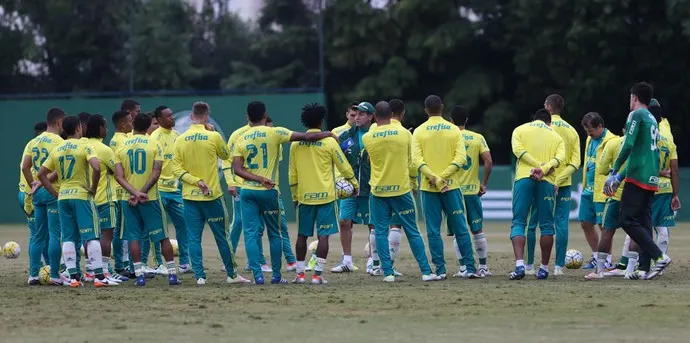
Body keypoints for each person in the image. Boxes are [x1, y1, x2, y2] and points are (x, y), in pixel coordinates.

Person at [232, 101, 336, 284]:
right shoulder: (275, 132)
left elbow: (237, 170)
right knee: (274, 233)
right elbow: (307, 137)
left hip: (247, 191)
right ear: (265, 115)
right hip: (269, 190)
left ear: (248, 118)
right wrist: (327, 134)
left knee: (250, 234)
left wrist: (255, 179)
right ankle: (276, 276)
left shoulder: (241, 138)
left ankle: (257, 275)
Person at [172, 102, 248, 285]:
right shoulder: (213, 136)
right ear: (206, 117)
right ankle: (231, 275)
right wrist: (212, 131)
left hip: (190, 197)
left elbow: (176, 168)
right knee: (222, 236)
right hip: (212, 197)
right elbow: (225, 155)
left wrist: (195, 181)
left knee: (193, 238)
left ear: (191, 117)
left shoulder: (180, 139)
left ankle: (199, 276)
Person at [36, 116, 117, 287]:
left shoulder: (58, 148)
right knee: (92, 236)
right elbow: (96, 167)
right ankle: (99, 278)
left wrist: (56, 193)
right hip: (82, 196)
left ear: (64, 129)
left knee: (68, 237)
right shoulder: (85, 145)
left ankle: (73, 278)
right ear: (79, 128)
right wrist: (93, 188)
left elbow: (41, 174)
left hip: (64, 197)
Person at [364, 101, 439, 282]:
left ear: (374, 116)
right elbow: (412, 162)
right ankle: (426, 272)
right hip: (401, 190)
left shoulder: (368, 137)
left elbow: (369, 160)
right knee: (413, 231)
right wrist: (414, 183)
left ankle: (388, 273)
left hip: (379, 191)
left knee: (380, 232)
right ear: (392, 115)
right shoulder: (405, 134)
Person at [604, 82, 671, 280]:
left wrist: (614, 171)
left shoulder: (637, 115)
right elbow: (641, 153)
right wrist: (619, 177)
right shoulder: (652, 118)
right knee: (644, 221)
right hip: (650, 177)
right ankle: (643, 267)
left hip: (639, 177)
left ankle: (659, 256)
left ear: (634, 97)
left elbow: (628, 146)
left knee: (626, 220)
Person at [289, 103, 358, 284]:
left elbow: (292, 174)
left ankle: (300, 274)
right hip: (326, 197)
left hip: (305, 197)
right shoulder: (329, 142)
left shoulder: (295, 145)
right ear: (321, 120)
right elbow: (343, 165)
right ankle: (318, 275)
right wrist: (354, 183)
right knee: (323, 236)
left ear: (305, 122)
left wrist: (295, 196)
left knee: (302, 236)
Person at [411, 96, 475, 279]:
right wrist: (443, 178)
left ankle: (440, 270)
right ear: (442, 108)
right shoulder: (454, 130)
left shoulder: (419, 131)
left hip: (428, 187)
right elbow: (461, 159)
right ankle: (470, 269)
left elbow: (416, 161)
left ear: (425, 110)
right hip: (451, 186)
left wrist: (434, 178)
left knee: (433, 230)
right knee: (461, 228)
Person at [114, 113, 180, 286]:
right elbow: (156, 173)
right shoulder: (154, 143)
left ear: (133, 125)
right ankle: (172, 274)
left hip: (128, 199)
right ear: (148, 127)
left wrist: (134, 193)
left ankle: (140, 275)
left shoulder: (121, 146)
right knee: (163, 236)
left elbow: (119, 177)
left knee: (133, 238)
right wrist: (142, 192)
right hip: (150, 198)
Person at [509, 109, 565, 280]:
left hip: (524, 178)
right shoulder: (556, 137)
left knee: (519, 221)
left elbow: (518, 151)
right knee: (547, 225)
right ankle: (544, 269)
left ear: (533, 120)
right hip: (546, 181)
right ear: (549, 123)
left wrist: (536, 165)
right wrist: (544, 168)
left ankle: (520, 266)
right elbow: (560, 158)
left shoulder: (519, 130)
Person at [532, 95, 580, 275]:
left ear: (548, 107)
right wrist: (560, 180)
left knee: (537, 222)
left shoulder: (539, 128)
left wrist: (549, 177)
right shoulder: (572, 131)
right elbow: (575, 163)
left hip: (543, 181)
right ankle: (559, 266)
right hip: (564, 183)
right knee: (561, 223)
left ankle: (530, 264)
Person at [221, 119, 272, 273]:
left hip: (260, 185)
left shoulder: (267, 133)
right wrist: (231, 183)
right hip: (241, 185)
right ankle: (228, 260)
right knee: (238, 222)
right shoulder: (237, 134)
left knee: (257, 224)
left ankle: (255, 261)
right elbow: (226, 161)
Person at [21, 108, 65, 285]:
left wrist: (34, 184)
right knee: (55, 235)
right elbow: (58, 169)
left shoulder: (33, 142)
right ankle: (54, 275)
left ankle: (33, 275)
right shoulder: (59, 142)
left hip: (38, 194)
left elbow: (25, 166)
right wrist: (44, 181)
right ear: (60, 122)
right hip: (52, 191)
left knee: (38, 235)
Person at [449, 105, 494, 277]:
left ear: (451, 121)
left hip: (453, 192)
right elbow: (488, 161)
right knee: (477, 230)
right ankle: (482, 266)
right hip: (472, 191)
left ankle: (463, 268)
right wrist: (483, 183)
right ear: (466, 120)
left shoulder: (449, 137)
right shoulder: (478, 137)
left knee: (459, 232)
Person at [83, 115, 128, 282]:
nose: (107, 130)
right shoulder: (104, 149)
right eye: (105, 126)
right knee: (106, 237)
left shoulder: (83, 146)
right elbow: (118, 173)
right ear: (100, 128)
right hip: (104, 199)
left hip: (87, 199)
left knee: (90, 237)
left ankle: (89, 271)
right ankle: (103, 273)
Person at [331, 102, 374, 273]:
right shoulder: (345, 136)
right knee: (344, 221)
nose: (357, 118)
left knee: (373, 225)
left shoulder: (376, 135)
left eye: (362, 114)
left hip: (371, 187)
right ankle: (347, 260)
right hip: (349, 188)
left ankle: (373, 260)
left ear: (370, 116)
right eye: (355, 115)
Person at [150, 106, 191, 274]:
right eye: (168, 116)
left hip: (175, 190)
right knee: (158, 228)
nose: (172, 118)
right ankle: (159, 264)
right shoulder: (154, 137)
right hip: (158, 190)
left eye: (172, 115)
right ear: (159, 120)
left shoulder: (177, 136)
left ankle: (184, 263)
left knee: (183, 224)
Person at [579, 112, 617, 269]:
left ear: (600, 126)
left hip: (602, 190)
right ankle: (596, 256)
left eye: (592, 131)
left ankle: (607, 258)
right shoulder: (589, 139)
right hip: (588, 189)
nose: (590, 135)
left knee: (604, 226)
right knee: (585, 223)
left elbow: (616, 166)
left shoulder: (613, 141)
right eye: (587, 132)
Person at [586, 130, 625, 279]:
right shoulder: (642, 144)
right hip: (636, 193)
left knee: (607, 230)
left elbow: (601, 168)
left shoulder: (613, 143)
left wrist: (613, 171)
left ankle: (600, 270)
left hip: (617, 193)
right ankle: (634, 267)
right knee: (636, 231)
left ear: (623, 131)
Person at [18, 122, 49, 284]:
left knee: (38, 235)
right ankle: (49, 269)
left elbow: (24, 167)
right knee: (44, 234)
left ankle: (36, 272)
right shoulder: (51, 144)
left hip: (25, 192)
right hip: (33, 193)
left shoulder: (30, 145)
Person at [109, 110, 134, 278]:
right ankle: (120, 265)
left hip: (122, 190)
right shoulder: (119, 141)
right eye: (130, 122)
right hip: (120, 192)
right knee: (119, 231)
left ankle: (123, 263)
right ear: (123, 124)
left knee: (121, 230)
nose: (132, 124)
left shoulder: (121, 139)